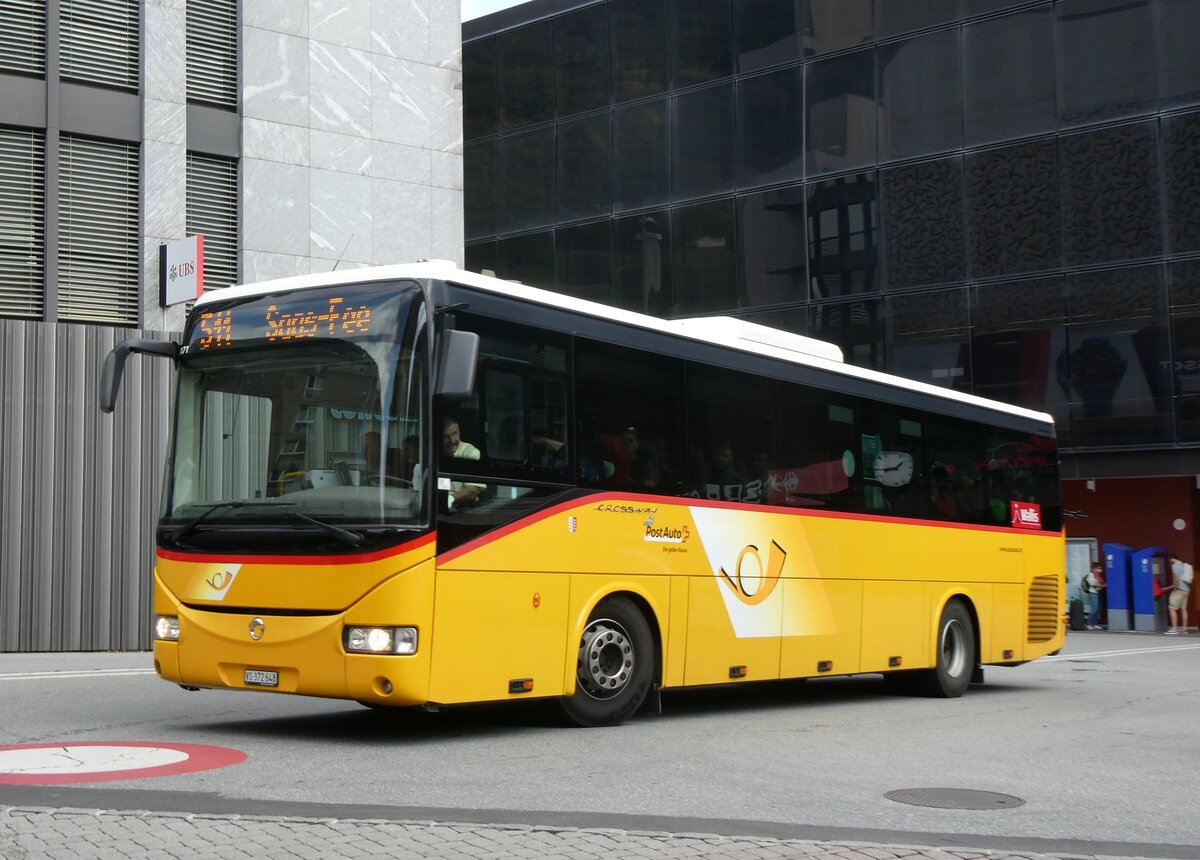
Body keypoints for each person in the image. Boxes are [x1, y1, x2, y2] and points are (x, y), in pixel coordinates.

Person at [442, 417, 484, 507]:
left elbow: (473, 490)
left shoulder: (471, 452)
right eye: (446, 436)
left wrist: (451, 499)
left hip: (463, 509)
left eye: (455, 434)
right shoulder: (431, 452)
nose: (452, 440)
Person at [1164, 552, 1193, 635]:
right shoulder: (1183, 564)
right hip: (1186, 590)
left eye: (1169, 560)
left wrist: (1175, 589)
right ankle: (1184, 628)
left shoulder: (1175, 566)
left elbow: (1176, 579)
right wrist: (1167, 588)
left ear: (1171, 559)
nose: (1170, 562)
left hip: (1179, 590)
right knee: (1183, 609)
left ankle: (1174, 628)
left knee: (1171, 607)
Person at [1082, 562, 1106, 630]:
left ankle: (1095, 624)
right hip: (1093, 593)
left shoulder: (1099, 575)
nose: (1100, 570)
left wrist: (1101, 585)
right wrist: (1100, 584)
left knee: (1098, 610)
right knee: (1094, 609)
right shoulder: (1091, 575)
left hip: (1098, 593)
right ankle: (1089, 624)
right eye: (1098, 568)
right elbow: (1092, 583)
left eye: (1100, 568)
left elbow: (1100, 583)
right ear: (1094, 569)